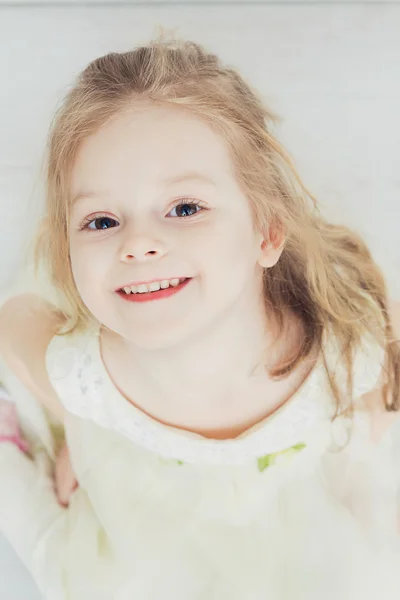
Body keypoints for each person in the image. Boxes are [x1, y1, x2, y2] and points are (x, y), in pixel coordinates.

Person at [1, 34, 400, 600]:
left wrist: (371, 402)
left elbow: (379, 317)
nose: (138, 244)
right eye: (101, 221)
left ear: (266, 232)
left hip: (280, 486)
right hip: (138, 479)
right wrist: (71, 419)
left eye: (185, 208)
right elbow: (15, 325)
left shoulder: (339, 354)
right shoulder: (86, 377)